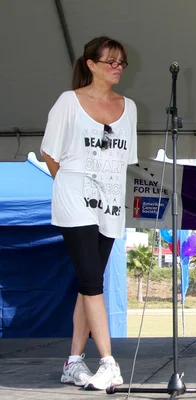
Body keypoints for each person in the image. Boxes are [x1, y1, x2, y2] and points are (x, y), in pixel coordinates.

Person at [40, 36, 137, 390]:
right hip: (75, 199)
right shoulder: (69, 102)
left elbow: (126, 161)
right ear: (91, 64)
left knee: (87, 285)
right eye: (110, 61)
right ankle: (109, 362)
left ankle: (74, 361)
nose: (117, 67)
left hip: (110, 203)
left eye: (121, 62)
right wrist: (72, 187)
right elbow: (50, 152)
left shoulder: (129, 106)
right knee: (93, 283)